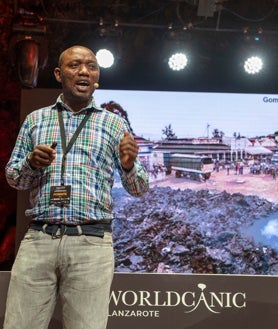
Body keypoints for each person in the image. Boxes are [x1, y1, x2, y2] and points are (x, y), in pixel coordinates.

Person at [4, 45, 149, 329]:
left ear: (97, 77)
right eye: (75, 65)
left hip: (91, 243)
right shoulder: (36, 120)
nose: (84, 71)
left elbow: (140, 188)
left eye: (91, 66)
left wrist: (130, 166)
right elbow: (14, 179)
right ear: (59, 74)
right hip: (39, 240)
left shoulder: (114, 124)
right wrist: (31, 164)